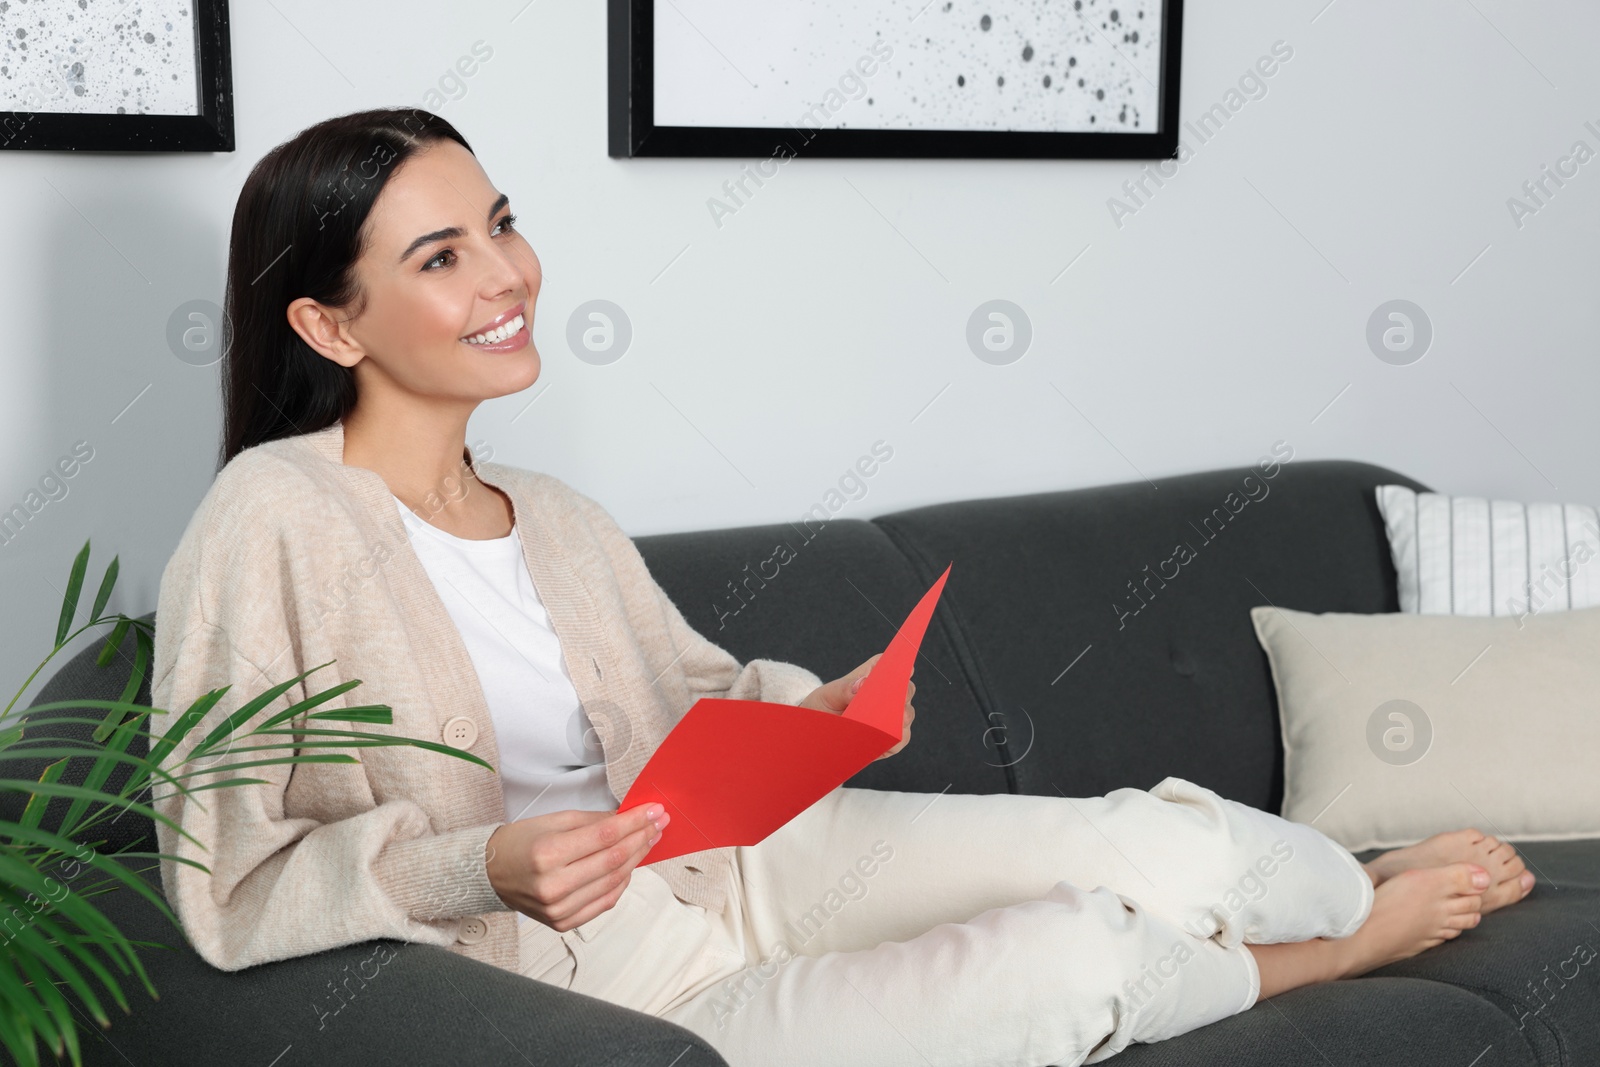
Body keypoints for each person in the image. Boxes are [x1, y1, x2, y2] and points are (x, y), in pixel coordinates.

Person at [151, 107, 1536, 1067]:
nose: (510, 273)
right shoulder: (272, 520)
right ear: (330, 323)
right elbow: (227, 881)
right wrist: (486, 866)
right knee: (1070, 966)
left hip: (751, 865)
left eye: (501, 223)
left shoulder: (553, 515)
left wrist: (827, 710)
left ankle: (1341, 884)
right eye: (441, 258)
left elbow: (692, 700)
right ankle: (1335, 953)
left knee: (1174, 845)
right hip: (605, 991)